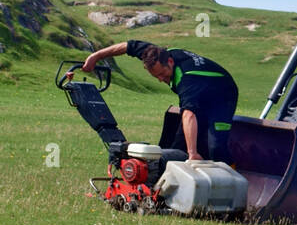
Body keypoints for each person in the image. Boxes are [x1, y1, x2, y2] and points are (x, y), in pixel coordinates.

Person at [82, 40, 238, 164]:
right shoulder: (154, 54)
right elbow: (127, 46)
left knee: (216, 147)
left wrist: (193, 154)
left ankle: (235, 180)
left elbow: (189, 115)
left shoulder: (187, 78)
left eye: (163, 74)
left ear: (170, 62)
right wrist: (95, 56)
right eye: (156, 76)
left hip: (223, 97)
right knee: (176, 148)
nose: (161, 79)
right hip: (199, 95)